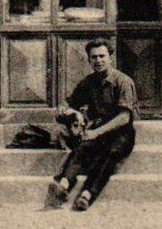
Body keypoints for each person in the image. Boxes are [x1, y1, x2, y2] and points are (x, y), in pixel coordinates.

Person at [50, 38, 138, 210]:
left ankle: (87, 194)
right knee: (83, 147)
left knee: (109, 154)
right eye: (94, 57)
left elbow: (124, 117)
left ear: (110, 57)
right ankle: (65, 184)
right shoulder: (89, 82)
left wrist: (96, 132)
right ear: (89, 60)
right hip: (98, 129)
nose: (98, 61)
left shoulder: (123, 81)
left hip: (122, 132)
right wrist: (68, 111)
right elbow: (69, 103)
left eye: (102, 56)